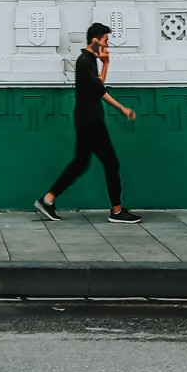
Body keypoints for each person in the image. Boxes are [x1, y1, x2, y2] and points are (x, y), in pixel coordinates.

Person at [35, 22, 142, 224]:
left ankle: (47, 200)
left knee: (80, 163)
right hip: (91, 122)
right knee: (111, 163)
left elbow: (97, 85)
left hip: (86, 120)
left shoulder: (90, 60)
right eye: (106, 41)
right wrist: (122, 108)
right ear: (95, 41)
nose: (107, 46)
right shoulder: (85, 61)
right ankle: (117, 211)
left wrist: (106, 64)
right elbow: (99, 91)